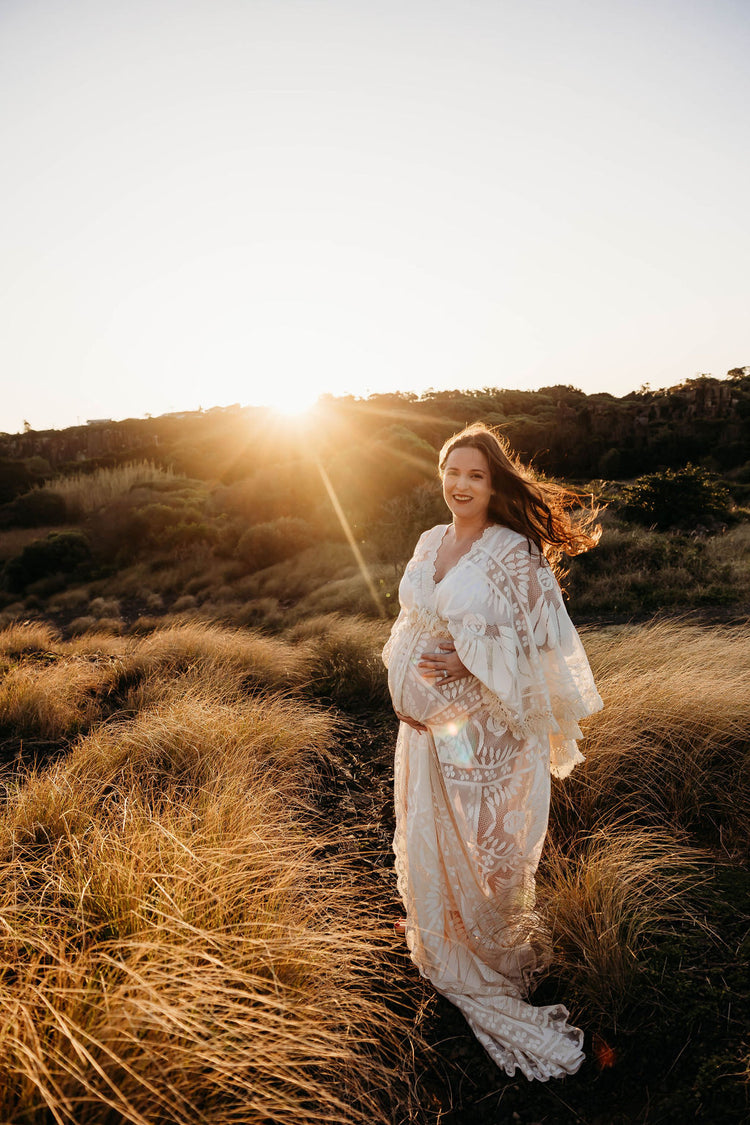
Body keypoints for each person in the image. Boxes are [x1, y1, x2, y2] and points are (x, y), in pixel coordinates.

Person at [382, 422, 603, 1081]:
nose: (460, 484)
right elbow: (412, 617)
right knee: (433, 835)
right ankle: (448, 939)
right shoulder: (429, 540)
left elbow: (544, 643)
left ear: (494, 481)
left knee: (487, 843)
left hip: (485, 730)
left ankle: (491, 951)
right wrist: (406, 674)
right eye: (452, 471)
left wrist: (470, 659)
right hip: (424, 729)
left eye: (476, 475)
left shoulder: (513, 551)